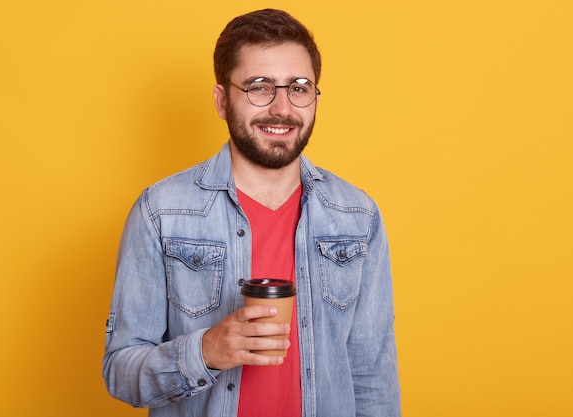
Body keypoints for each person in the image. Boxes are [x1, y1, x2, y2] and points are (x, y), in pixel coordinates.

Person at [103, 8, 400, 417]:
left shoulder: (357, 217)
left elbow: (372, 377)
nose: (281, 107)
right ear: (223, 101)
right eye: (259, 87)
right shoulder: (161, 212)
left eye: (299, 87)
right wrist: (204, 351)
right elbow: (119, 370)